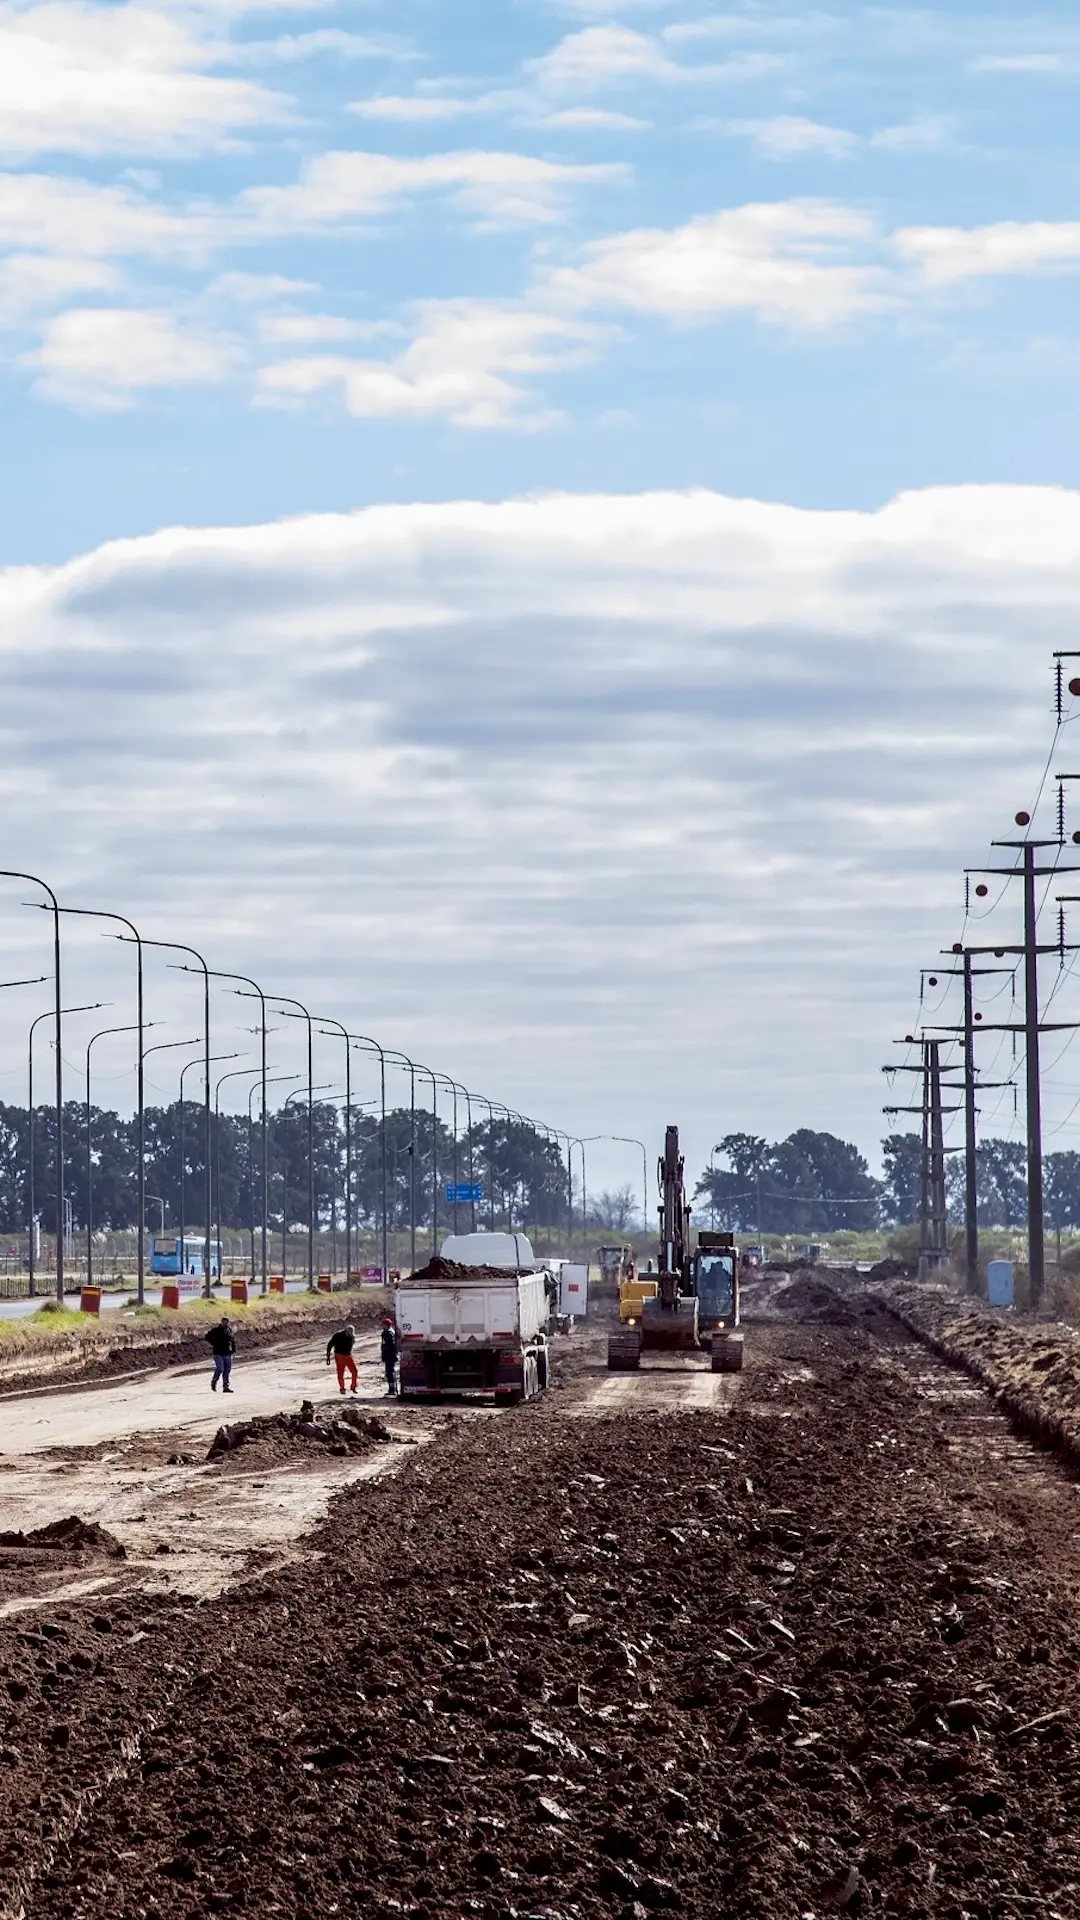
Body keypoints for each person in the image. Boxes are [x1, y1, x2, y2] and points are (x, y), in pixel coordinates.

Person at [326, 1320, 358, 1395]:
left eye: (352, 1333)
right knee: (340, 1372)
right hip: (339, 1355)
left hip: (348, 1355)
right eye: (349, 1333)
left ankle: (353, 1386)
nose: (350, 1335)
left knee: (354, 1371)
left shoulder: (352, 1337)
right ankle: (342, 1388)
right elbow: (330, 1344)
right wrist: (328, 1353)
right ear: (346, 1331)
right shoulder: (338, 1335)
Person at [206, 1316, 236, 1393]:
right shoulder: (216, 1330)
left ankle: (226, 1387)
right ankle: (214, 1381)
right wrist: (214, 1344)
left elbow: (232, 1340)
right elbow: (207, 1336)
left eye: (227, 1322)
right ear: (221, 1322)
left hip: (227, 1353)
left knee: (227, 1370)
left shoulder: (229, 1330)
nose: (225, 1323)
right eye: (224, 1322)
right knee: (220, 1369)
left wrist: (234, 1350)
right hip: (218, 1353)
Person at [380, 1316, 398, 1397]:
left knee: (390, 1372)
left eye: (383, 1325)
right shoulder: (388, 1332)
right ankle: (392, 1389)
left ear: (387, 1325)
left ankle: (392, 1389)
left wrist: (386, 1352)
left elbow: (390, 1345)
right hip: (389, 1356)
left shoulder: (389, 1333)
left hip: (390, 1356)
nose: (382, 1326)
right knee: (390, 1372)